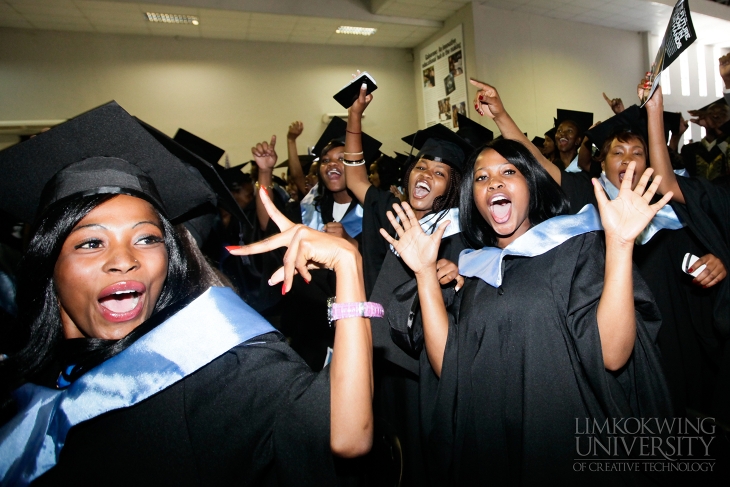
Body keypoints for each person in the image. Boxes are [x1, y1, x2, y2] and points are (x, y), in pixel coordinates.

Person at [0, 102, 375, 486]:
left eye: (146, 238)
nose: (124, 259)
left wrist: (350, 266)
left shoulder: (212, 364)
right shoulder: (24, 378)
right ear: (48, 263)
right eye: (91, 243)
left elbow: (345, 435)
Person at [382, 132, 673, 484]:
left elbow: (612, 354)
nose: (493, 184)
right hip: (493, 453)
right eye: (482, 178)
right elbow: (450, 367)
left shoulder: (575, 249)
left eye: (508, 173)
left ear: (532, 185)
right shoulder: (476, 271)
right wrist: (426, 273)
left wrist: (621, 244)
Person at [343, 82, 469, 485]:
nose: (425, 174)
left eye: (439, 172)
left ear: (451, 186)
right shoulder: (390, 212)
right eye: (421, 166)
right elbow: (356, 179)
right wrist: (354, 119)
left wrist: (460, 276)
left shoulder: (463, 233)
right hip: (380, 355)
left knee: (424, 452)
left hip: (425, 367)